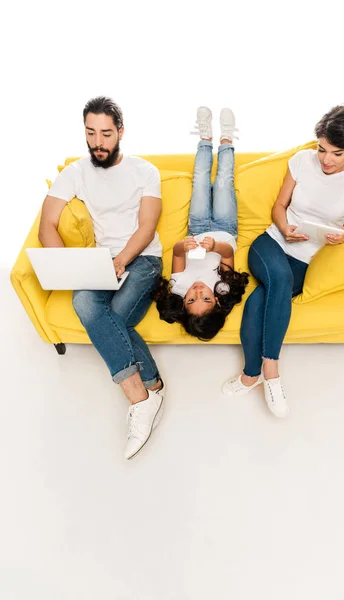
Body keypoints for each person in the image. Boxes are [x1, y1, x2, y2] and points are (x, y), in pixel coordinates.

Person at [222, 104, 344, 417]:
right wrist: (284, 228)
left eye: (337, 153)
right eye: (322, 149)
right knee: (278, 279)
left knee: (260, 299)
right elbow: (280, 206)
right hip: (272, 244)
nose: (326, 159)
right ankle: (272, 371)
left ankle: (251, 376)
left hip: (306, 260)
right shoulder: (301, 161)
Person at [38, 96, 165, 459]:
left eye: (106, 134)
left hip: (142, 258)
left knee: (114, 317)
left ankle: (150, 388)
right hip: (99, 259)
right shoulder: (75, 172)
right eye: (91, 133)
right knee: (84, 301)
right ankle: (145, 395)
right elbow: (48, 223)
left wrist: (122, 260)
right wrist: (64, 264)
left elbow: (147, 226)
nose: (98, 142)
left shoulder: (145, 171)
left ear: (120, 132)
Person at [154, 106, 248, 341]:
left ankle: (205, 138)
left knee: (200, 182)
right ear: (216, 301)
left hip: (196, 227)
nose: (197, 292)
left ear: (183, 303)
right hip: (225, 228)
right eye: (205, 298)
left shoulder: (179, 286)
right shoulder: (222, 287)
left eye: (191, 299)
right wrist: (215, 246)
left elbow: (176, 255)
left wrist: (181, 246)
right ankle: (226, 138)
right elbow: (227, 255)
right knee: (224, 182)